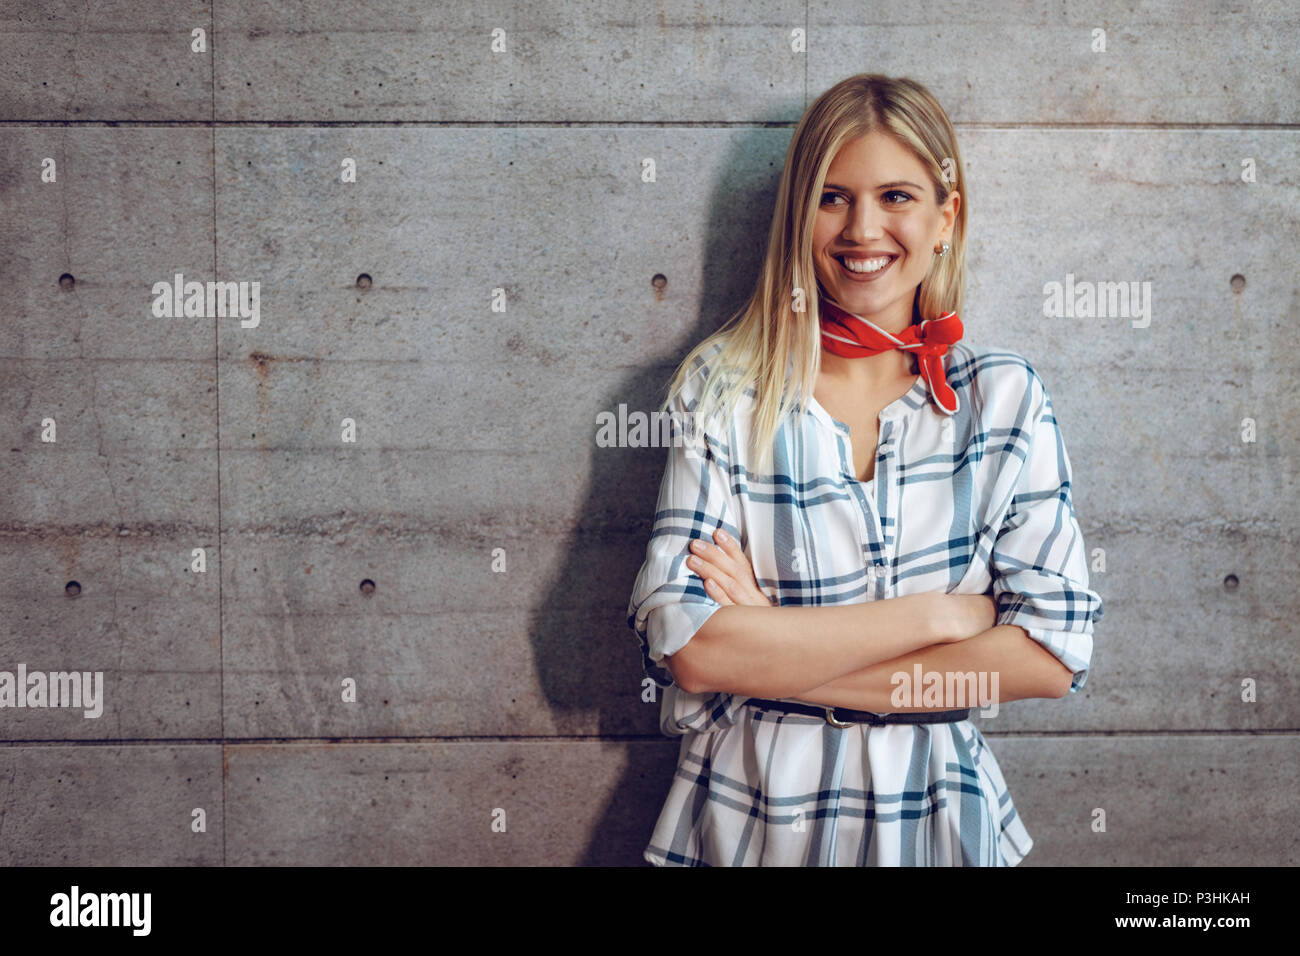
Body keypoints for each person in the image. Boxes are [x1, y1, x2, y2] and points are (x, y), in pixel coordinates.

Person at [625, 73, 1104, 866]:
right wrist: (941, 619)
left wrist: (775, 658)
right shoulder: (726, 388)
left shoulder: (1005, 397)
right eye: (833, 197)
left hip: (938, 821)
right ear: (798, 215)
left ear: (945, 217)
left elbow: (1051, 656)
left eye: (896, 196)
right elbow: (693, 652)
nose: (863, 228)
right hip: (750, 822)